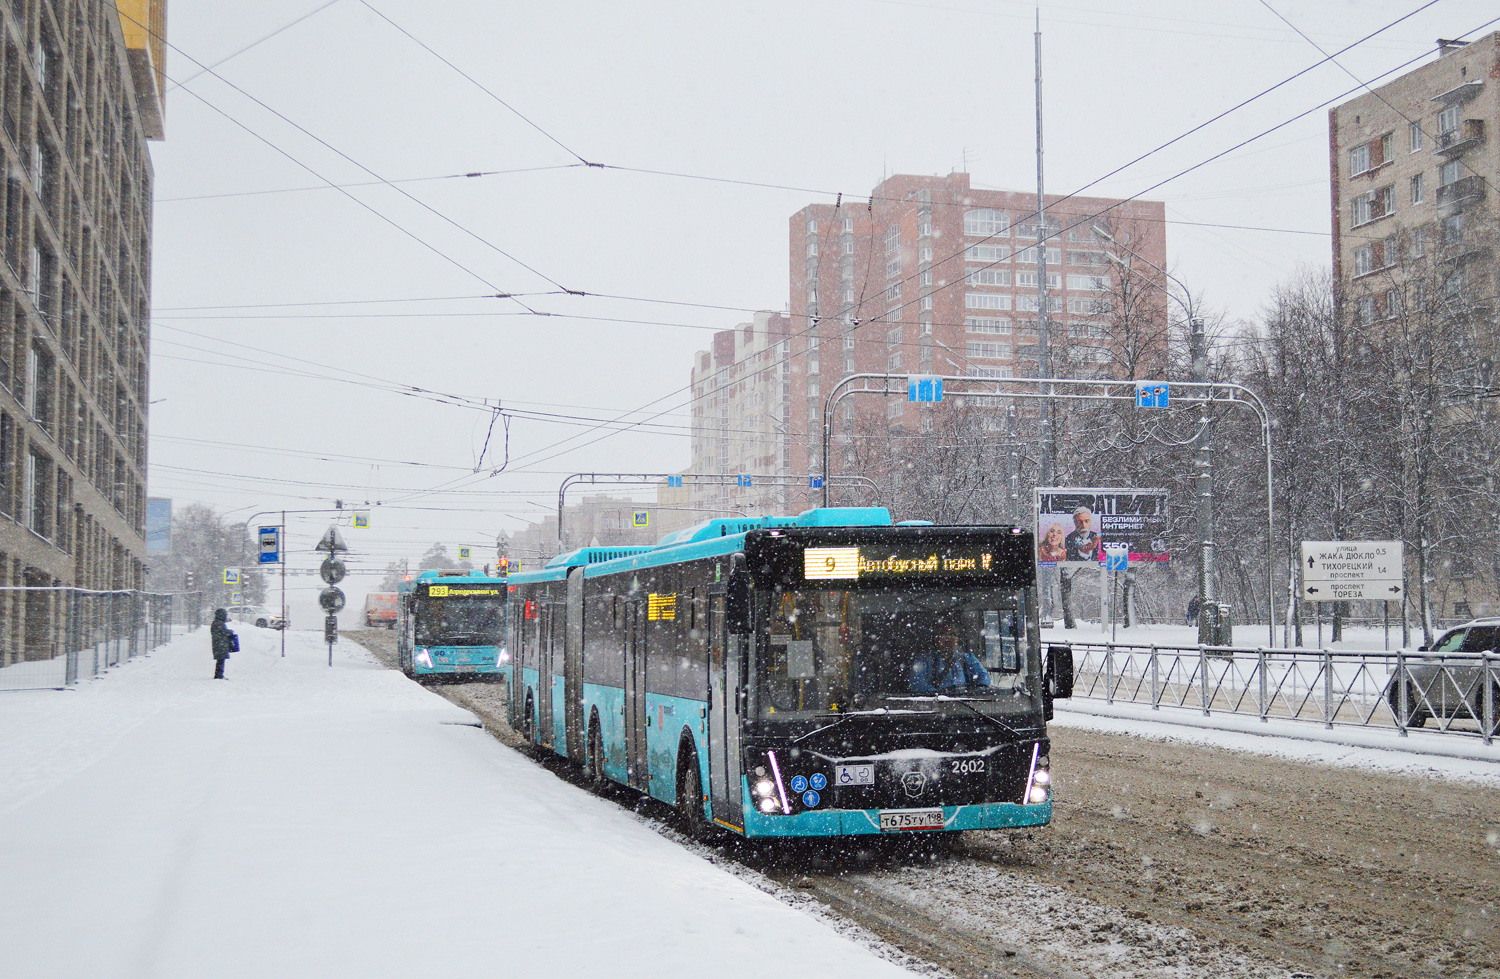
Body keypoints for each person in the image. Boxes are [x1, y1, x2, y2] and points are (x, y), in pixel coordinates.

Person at [909, 624, 991, 694]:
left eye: (952, 634)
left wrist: (975, 692)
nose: (947, 638)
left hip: (966, 705)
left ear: (957, 639)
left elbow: (984, 676)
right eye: (943, 634)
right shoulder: (924, 660)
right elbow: (916, 684)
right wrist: (938, 695)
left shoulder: (968, 658)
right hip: (935, 706)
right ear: (936, 639)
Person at [210, 608, 239, 679]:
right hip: (220, 644)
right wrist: (230, 632)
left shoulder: (217, 622)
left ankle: (219, 674)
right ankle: (219, 675)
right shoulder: (218, 623)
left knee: (220, 660)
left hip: (219, 644)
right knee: (221, 660)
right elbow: (223, 632)